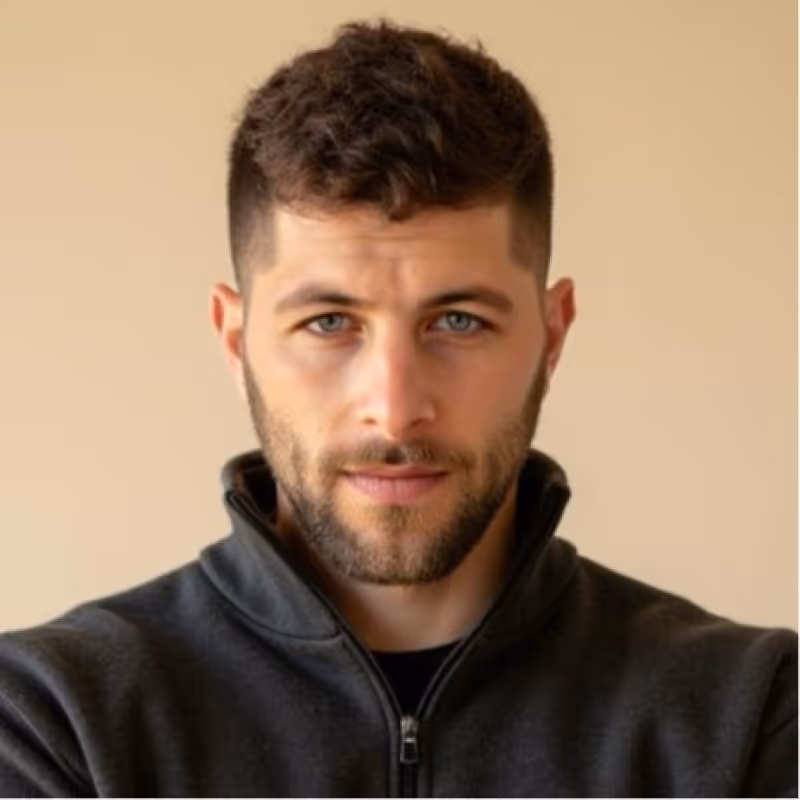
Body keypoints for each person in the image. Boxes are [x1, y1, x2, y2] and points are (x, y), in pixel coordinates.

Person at [0, 19, 795, 799]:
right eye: (328, 323)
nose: (395, 407)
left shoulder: (749, 714)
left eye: (458, 322)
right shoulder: (54, 720)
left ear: (552, 335)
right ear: (236, 337)